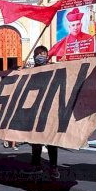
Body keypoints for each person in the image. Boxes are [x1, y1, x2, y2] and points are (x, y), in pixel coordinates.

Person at [21, 46, 60, 179]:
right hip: (35, 111)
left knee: (51, 141)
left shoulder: (54, 69)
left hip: (50, 111)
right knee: (35, 139)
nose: (40, 56)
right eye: (38, 54)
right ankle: (36, 165)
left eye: (43, 54)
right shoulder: (30, 71)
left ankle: (54, 167)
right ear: (34, 56)